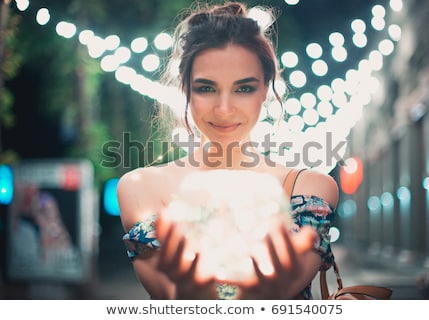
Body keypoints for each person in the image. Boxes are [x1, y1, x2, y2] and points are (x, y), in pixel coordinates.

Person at [117, 1, 339, 300]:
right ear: (185, 90)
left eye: (243, 88)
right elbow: (167, 291)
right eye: (206, 88)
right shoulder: (142, 186)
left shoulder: (310, 187)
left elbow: (281, 291)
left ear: (266, 89)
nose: (224, 109)